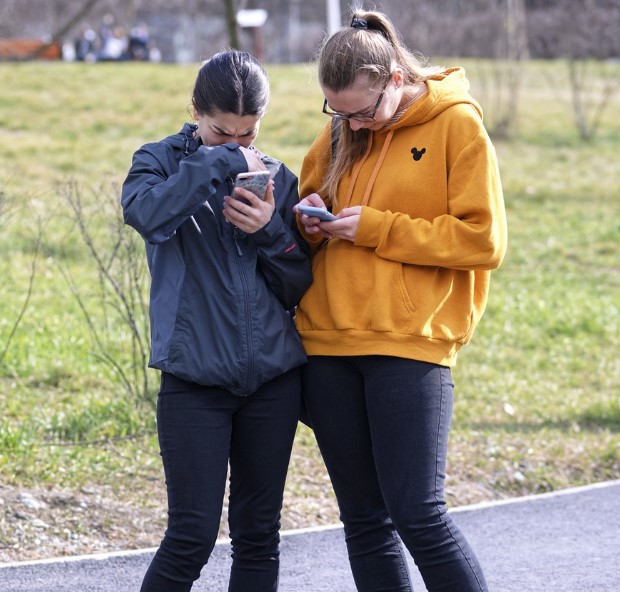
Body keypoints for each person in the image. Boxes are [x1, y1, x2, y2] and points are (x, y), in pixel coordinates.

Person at [293, 10, 507, 592]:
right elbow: (311, 199)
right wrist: (307, 224)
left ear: (392, 79)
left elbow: (483, 240)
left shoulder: (456, 124)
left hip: (410, 345)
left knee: (419, 516)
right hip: (327, 344)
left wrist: (378, 227)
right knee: (364, 522)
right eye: (337, 112)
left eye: (362, 111)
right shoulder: (342, 128)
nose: (351, 125)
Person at [121, 50, 311, 591]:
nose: (237, 145)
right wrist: (215, 164)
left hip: (272, 381)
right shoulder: (158, 162)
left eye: (248, 136)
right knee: (191, 536)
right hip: (194, 381)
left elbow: (299, 283)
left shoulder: (276, 175)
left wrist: (269, 233)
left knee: (259, 537)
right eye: (221, 132)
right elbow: (147, 216)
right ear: (195, 111)